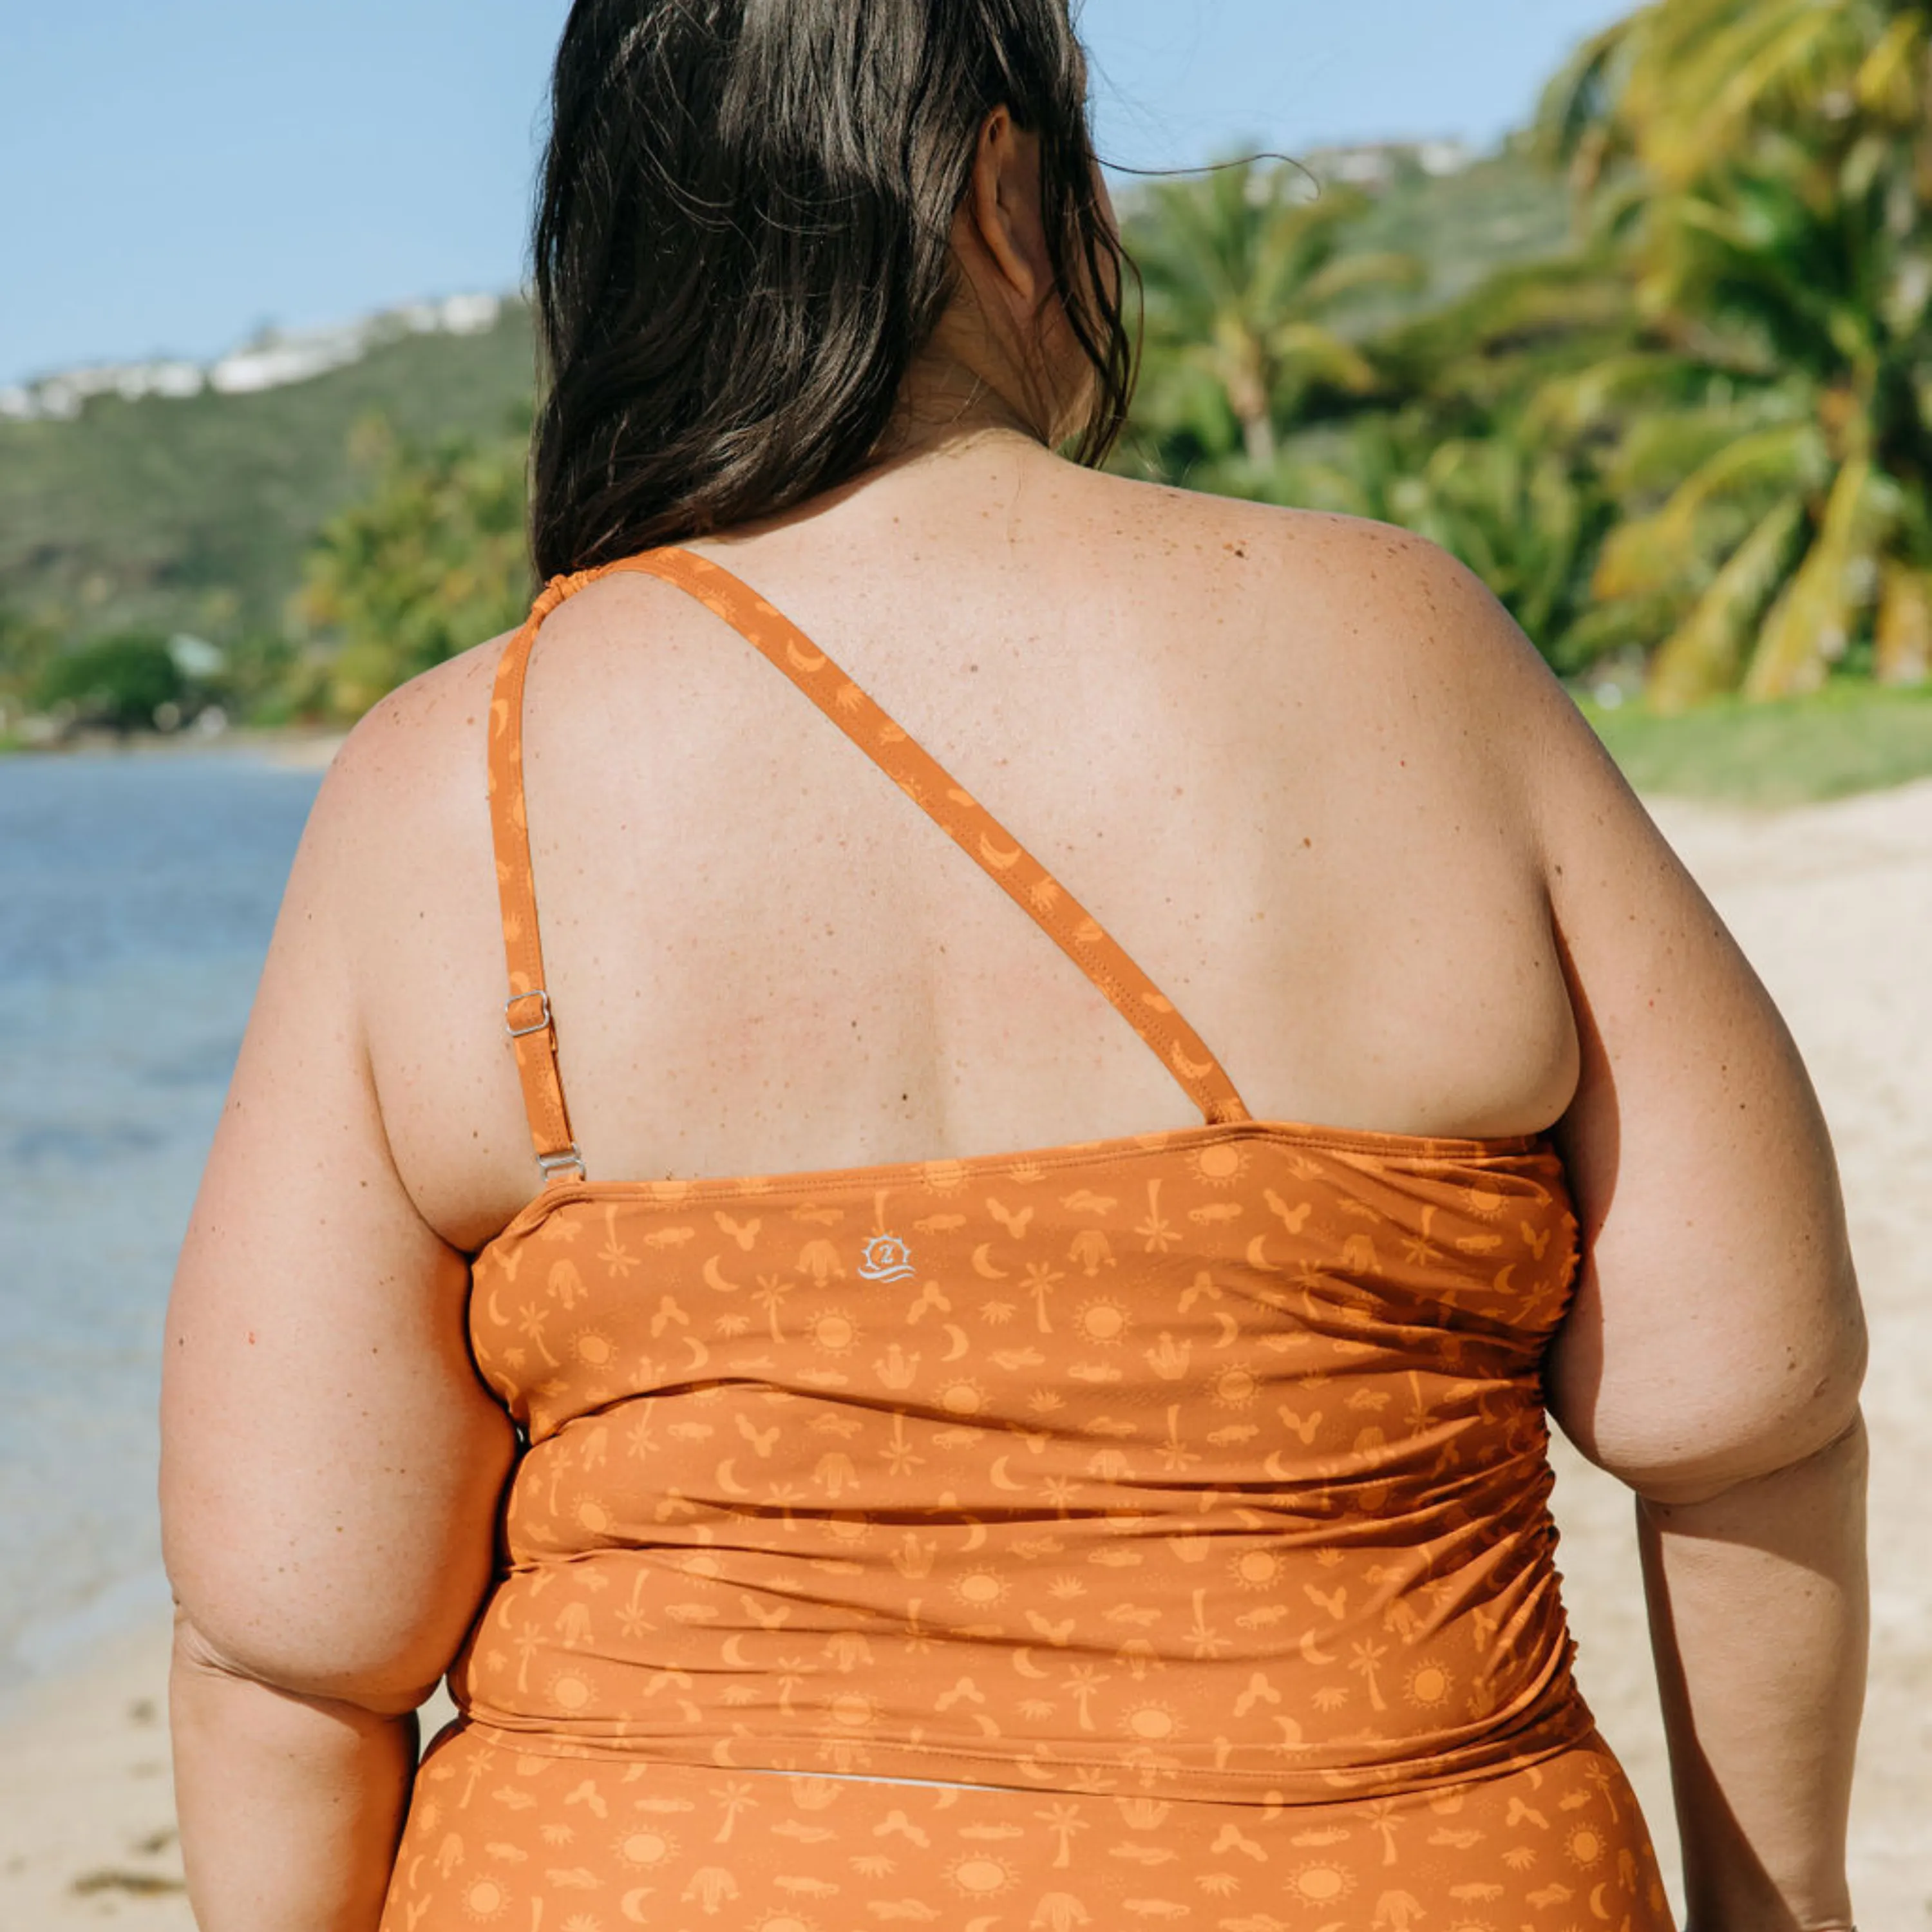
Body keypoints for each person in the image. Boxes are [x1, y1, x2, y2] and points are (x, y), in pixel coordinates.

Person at [159, 3, 1869, 1927]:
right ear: (995, 189)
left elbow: (295, 1627)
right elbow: (1747, 1395)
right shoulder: (1401, 649)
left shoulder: (450, 781)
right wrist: (1777, 1897)